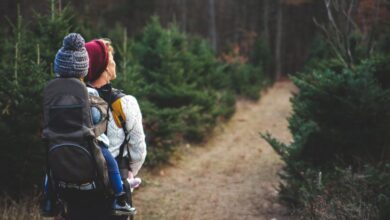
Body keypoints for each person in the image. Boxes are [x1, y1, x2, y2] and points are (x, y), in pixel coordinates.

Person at [42, 33, 135, 218]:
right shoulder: (87, 92)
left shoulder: (52, 92)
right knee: (109, 161)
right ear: (83, 69)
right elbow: (96, 116)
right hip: (86, 138)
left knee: (49, 168)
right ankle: (120, 198)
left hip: (56, 139)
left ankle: (49, 200)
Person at [84, 38, 147, 189]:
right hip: (115, 184)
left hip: (80, 182)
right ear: (105, 66)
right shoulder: (125, 103)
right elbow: (138, 150)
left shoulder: (75, 100)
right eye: (112, 58)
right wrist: (130, 172)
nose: (115, 63)